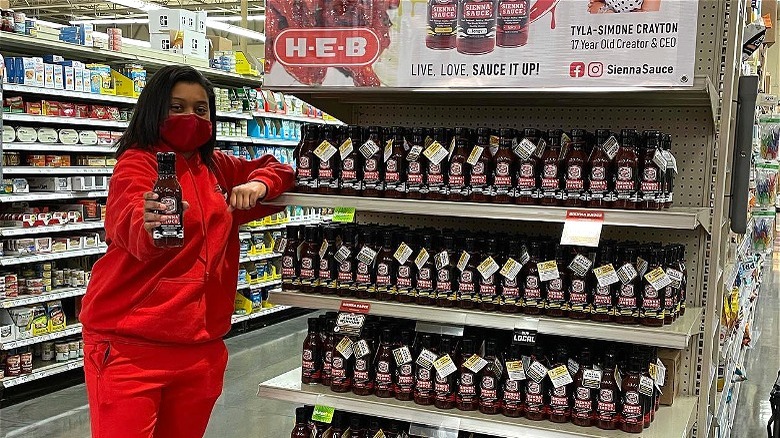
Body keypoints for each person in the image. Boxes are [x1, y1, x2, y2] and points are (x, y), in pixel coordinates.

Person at [79, 65, 294, 438]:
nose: (190, 118)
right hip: (132, 348)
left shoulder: (217, 167)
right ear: (154, 110)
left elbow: (281, 169)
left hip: (201, 349)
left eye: (200, 109)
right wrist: (145, 224)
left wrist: (260, 183)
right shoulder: (137, 163)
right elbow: (126, 219)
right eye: (176, 107)